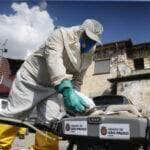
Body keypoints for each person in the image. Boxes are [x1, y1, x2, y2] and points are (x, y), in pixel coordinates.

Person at [0, 19, 103, 150]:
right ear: (80, 31)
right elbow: (54, 61)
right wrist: (66, 90)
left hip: (54, 88)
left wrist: (74, 95)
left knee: (51, 124)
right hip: (31, 80)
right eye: (88, 39)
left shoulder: (90, 53)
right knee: (14, 115)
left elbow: (77, 79)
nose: (90, 43)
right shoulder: (60, 34)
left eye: (93, 41)